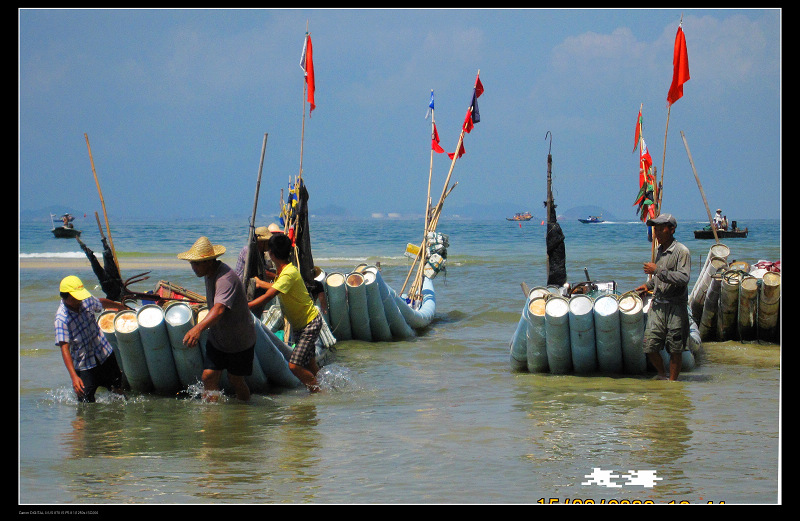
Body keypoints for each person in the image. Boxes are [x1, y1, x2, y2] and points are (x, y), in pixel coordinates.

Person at [178, 236, 256, 402]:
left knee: (236, 380)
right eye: (192, 263)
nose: (193, 268)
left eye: (196, 263)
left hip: (239, 339)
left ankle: (245, 412)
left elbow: (219, 309)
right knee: (208, 376)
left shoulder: (225, 278)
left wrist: (197, 328)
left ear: (209, 261)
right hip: (219, 337)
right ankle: (211, 417)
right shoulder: (208, 273)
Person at [250, 233, 323, 392]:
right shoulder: (285, 271)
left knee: (294, 365)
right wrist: (262, 283)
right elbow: (277, 286)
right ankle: (322, 385)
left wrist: (244, 306)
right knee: (309, 363)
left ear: (272, 254)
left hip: (309, 324)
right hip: (301, 324)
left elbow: (267, 297)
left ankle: (319, 393)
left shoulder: (288, 273)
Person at [635, 213, 691, 381]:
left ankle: (673, 383)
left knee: (675, 349)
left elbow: (683, 278)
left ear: (672, 230)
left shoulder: (681, 251)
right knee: (649, 345)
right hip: (658, 305)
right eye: (655, 229)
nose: (657, 233)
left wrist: (656, 270)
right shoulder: (660, 250)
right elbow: (660, 278)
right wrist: (648, 286)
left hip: (675, 307)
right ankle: (661, 374)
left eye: (661, 229)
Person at [55, 275, 126, 402]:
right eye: (76, 297)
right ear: (66, 297)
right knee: (85, 404)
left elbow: (101, 302)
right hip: (84, 364)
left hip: (104, 353)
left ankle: (118, 419)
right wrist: (73, 377)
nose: (80, 300)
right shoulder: (61, 319)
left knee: (118, 391)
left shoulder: (86, 300)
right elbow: (65, 349)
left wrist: (123, 307)